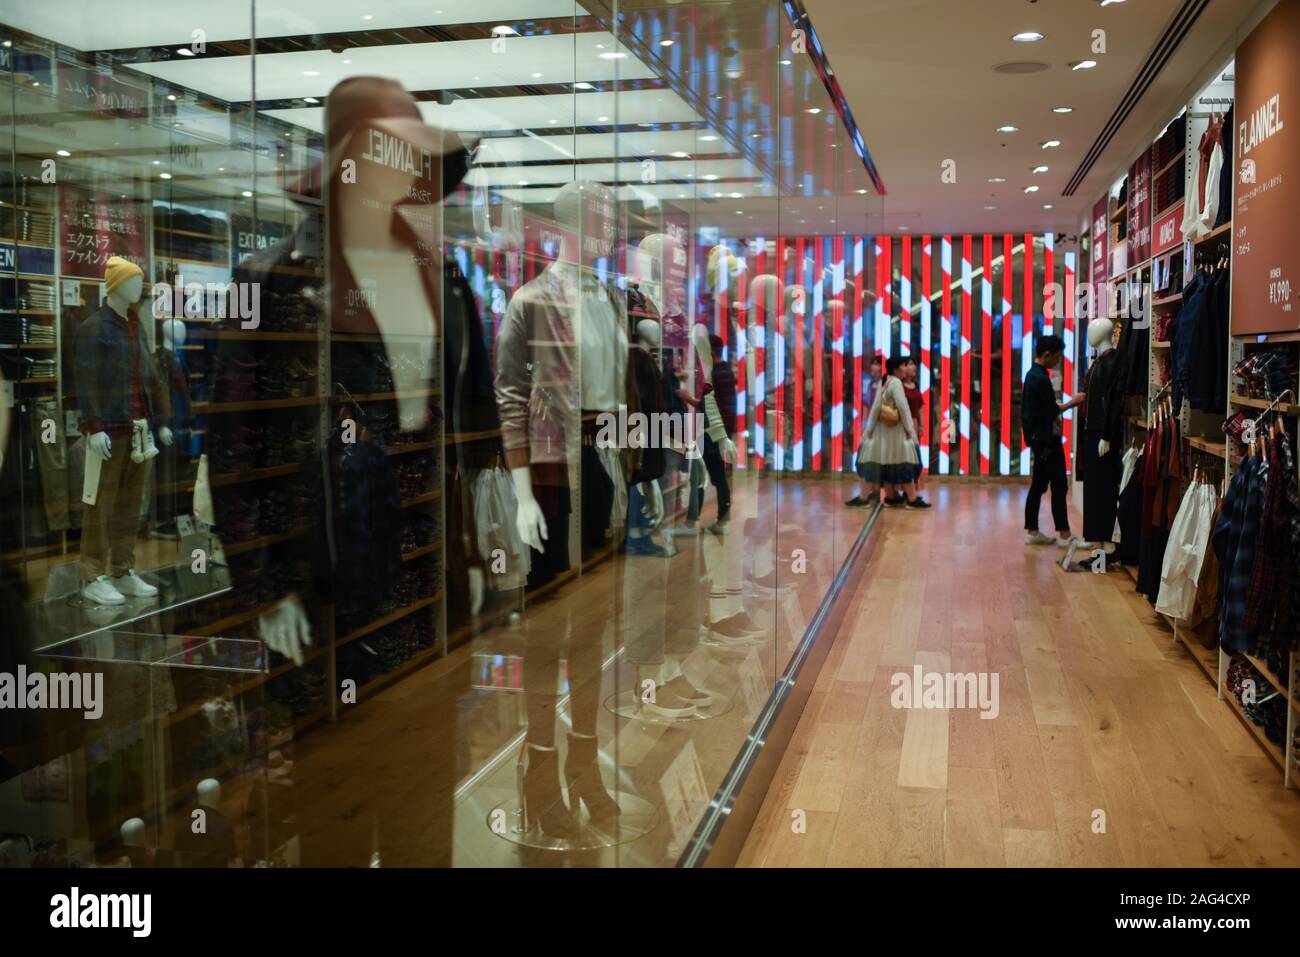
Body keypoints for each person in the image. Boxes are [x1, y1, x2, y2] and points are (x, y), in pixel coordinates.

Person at [1020, 334, 1085, 546]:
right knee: (1058, 485)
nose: (1058, 360)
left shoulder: (1032, 375)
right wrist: (1073, 403)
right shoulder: (1040, 378)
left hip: (1038, 440)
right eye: (1057, 356)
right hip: (1047, 441)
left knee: (1038, 485)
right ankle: (1065, 535)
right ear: (1048, 354)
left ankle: (1032, 530)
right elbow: (1051, 411)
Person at [854, 356, 930, 509]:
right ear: (896, 369)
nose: (906, 369)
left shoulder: (885, 380)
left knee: (888, 465)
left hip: (885, 433)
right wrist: (910, 430)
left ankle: (888, 497)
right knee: (906, 464)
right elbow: (903, 407)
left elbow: (876, 407)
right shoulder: (895, 383)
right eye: (903, 365)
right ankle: (911, 499)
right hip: (898, 434)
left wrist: (869, 429)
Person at [699, 335, 734, 529]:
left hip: (714, 430)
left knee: (717, 475)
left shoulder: (716, 375)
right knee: (718, 474)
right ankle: (723, 516)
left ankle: (722, 517)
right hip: (720, 430)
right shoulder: (725, 370)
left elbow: (711, 404)